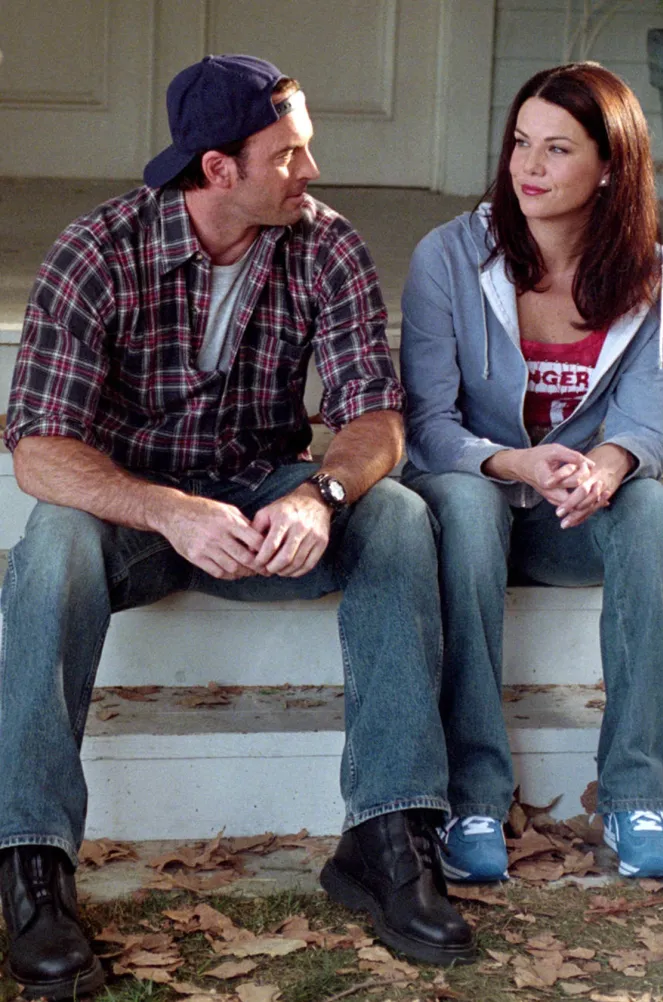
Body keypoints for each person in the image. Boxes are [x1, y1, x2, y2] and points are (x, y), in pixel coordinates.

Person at [0, 55, 475, 997]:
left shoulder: (324, 244)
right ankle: (33, 868)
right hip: (139, 512)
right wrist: (168, 510)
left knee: (398, 516)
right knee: (50, 544)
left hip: (265, 501)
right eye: (289, 154)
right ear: (218, 168)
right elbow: (38, 450)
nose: (312, 171)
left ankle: (388, 838)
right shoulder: (97, 250)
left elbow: (377, 418)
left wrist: (319, 495)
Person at [400, 62, 663, 885]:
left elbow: (642, 427)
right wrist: (512, 461)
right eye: (521, 142)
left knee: (650, 511)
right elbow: (427, 425)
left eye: (557, 149)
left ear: (610, 167)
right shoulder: (450, 256)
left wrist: (604, 470)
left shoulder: (654, 275)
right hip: (472, 509)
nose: (529, 166)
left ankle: (636, 793)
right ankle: (473, 796)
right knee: (466, 501)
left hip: (570, 521)